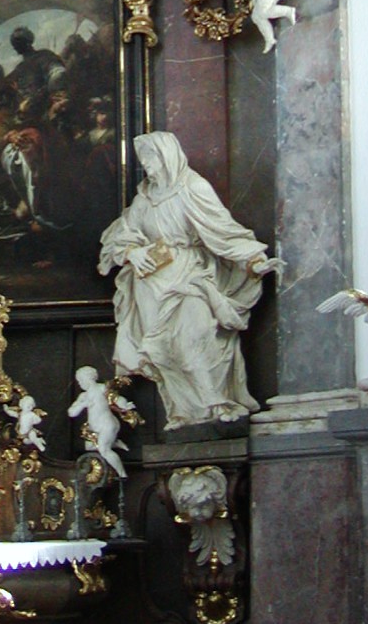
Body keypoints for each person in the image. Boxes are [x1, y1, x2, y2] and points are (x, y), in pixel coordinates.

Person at [98, 132, 278, 429]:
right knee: (163, 349)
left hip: (191, 274)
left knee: (198, 336)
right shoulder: (144, 198)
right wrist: (132, 252)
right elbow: (119, 238)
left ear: (168, 156)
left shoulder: (193, 188)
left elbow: (223, 230)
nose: (147, 166)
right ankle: (184, 412)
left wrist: (253, 259)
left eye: (151, 159)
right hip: (151, 283)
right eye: (143, 160)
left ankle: (218, 402)